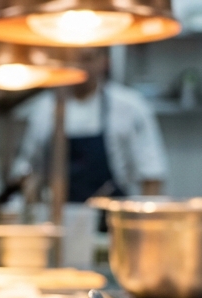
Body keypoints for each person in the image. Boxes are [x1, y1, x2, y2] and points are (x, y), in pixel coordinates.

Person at [11, 47, 168, 203]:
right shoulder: (44, 109)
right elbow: (25, 169)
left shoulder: (130, 107)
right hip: (55, 212)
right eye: (72, 59)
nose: (79, 66)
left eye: (87, 59)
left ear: (104, 61)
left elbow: (151, 174)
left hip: (111, 215)